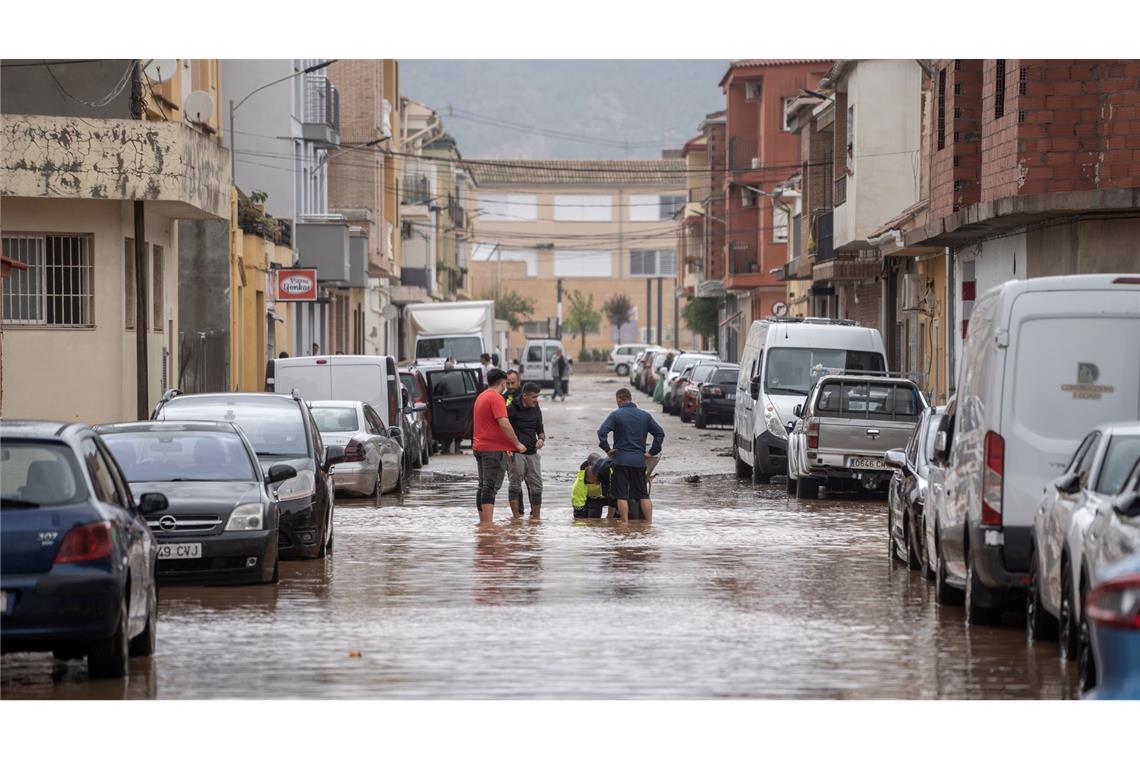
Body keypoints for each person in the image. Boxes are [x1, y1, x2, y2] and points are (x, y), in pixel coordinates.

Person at [597, 387, 664, 523]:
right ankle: (648, 524)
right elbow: (660, 433)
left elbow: (601, 432)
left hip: (620, 460)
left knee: (621, 495)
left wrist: (607, 449)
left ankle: (625, 524)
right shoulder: (645, 415)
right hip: (639, 461)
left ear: (619, 400)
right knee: (643, 494)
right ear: (630, 399)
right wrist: (651, 452)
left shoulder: (616, 415)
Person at [472, 368, 528, 523]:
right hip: (492, 450)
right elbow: (504, 423)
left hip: (480, 447)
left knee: (483, 485)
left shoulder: (481, 397)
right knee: (490, 486)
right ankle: (488, 525)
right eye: (505, 383)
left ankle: (483, 523)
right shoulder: (496, 398)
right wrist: (516, 443)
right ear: (502, 382)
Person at [507, 381, 545, 518]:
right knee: (515, 485)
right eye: (534, 397)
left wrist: (541, 439)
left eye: (537, 397)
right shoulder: (512, 408)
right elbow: (503, 428)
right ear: (525, 396)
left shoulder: (536, 407)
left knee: (537, 486)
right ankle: (516, 518)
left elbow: (540, 429)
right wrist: (508, 447)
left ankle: (536, 518)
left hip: (532, 453)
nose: (536, 400)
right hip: (516, 453)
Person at [572, 452, 611, 518]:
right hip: (593, 499)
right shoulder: (581, 481)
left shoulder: (608, 471)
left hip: (608, 496)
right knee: (592, 517)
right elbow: (578, 504)